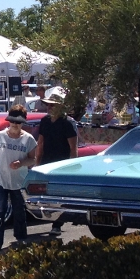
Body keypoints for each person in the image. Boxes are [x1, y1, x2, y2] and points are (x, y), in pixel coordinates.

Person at [0, 105, 38, 250]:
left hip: (19, 181)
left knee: (19, 211)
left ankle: (21, 237)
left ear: (23, 122)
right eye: (12, 122)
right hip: (0, 179)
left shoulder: (28, 140)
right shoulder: (0, 136)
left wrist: (21, 163)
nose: (15, 125)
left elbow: (32, 160)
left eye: (18, 122)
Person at [34, 87, 78, 234]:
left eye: (52, 105)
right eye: (48, 104)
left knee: (60, 195)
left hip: (62, 163)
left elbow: (73, 148)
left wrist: (72, 167)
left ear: (60, 106)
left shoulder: (68, 123)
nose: (49, 107)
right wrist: (37, 163)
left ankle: (57, 224)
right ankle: (54, 219)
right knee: (47, 195)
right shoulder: (44, 121)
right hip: (47, 162)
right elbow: (40, 143)